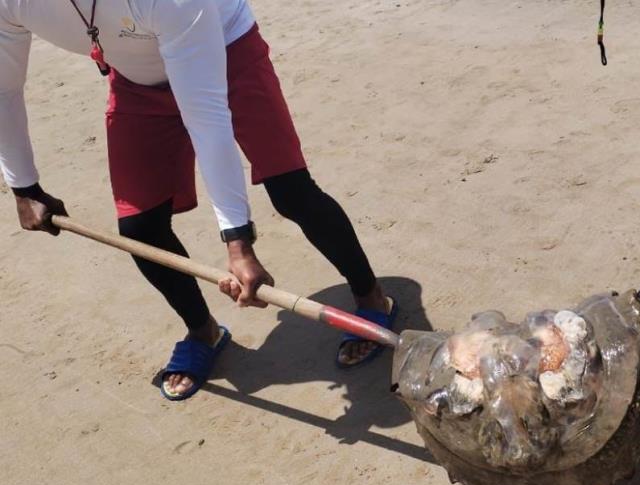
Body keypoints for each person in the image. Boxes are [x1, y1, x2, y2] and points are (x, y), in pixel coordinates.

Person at [1, 0, 398, 401]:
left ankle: (370, 295)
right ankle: (203, 331)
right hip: (135, 77)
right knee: (140, 228)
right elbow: (2, 86)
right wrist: (24, 186)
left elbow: (206, 116)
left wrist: (238, 242)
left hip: (228, 50)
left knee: (291, 192)